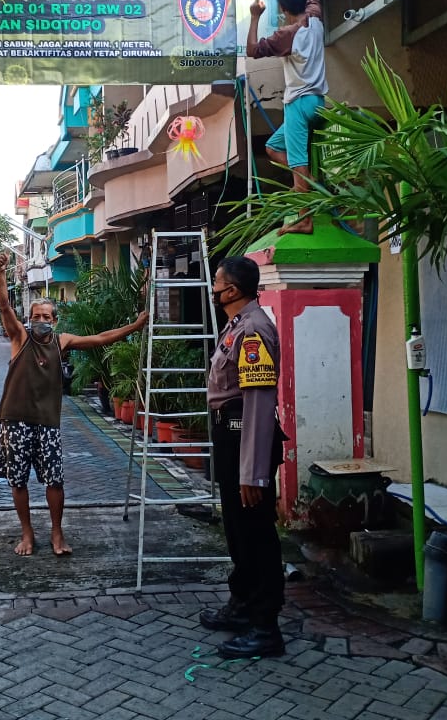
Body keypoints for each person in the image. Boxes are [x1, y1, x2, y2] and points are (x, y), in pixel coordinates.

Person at [0, 252, 149, 557]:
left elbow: (101, 338)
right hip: (16, 421)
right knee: (18, 480)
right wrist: (1, 272)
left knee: (55, 480)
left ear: (55, 320)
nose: (40, 321)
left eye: (46, 317)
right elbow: (3, 306)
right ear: (30, 319)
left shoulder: (60, 341)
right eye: (36, 316)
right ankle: (27, 533)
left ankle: (56, 532)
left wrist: (135, 326)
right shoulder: (19, 337)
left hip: (48, 422)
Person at [201, 256, 287, 660]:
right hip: (230, 435)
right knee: (237, 530)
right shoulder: (236, 325)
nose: (213, 287)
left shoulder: (253, 330)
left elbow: (257, 402)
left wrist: (253, 474)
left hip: (244, 438)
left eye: (217, 282)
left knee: (256, 534)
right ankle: (242, 605)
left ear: (231, 291)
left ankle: (265, 627)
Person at [246, 0, 327, 235]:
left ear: (281, 8)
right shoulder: (315, 18)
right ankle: (310, 183)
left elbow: (253, 50)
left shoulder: (286, 35)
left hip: (298, 104)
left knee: (297, 163)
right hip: (318, 102)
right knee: (272, 147)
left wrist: (255, 16)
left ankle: (305, 219)